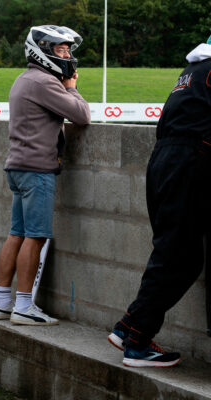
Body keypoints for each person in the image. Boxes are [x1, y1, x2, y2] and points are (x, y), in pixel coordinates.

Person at [107, 36, 211, 368]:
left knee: (175, 254)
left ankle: (128, 326)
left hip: (164, 159)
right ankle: (137, 342)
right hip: (188, 162)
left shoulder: (193, 69)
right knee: (178, 256)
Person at [0, 25, 90, 325]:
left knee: (16, 234)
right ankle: (23, 307)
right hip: (37, 170)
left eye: (68, 50)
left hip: (18, 166)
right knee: (35, 237)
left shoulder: (25, 78)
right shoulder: (44, 82)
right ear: (42, 51)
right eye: (61, 50)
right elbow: (82, 115)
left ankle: (1, 303)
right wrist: (71, 87)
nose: (67, 56)